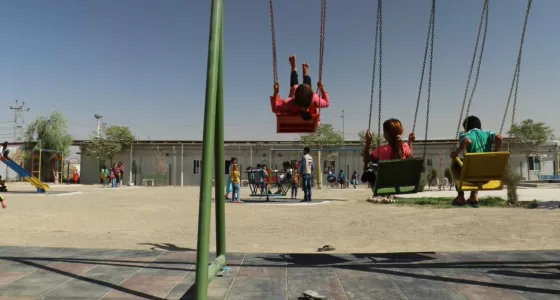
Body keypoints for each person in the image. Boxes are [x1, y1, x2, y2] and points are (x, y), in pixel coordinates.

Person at [451, 115, 503, 207]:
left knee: (455, 165)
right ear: (480, 126)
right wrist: (495, 153)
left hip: (470, 176)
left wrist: (456, 152)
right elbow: (499, 138)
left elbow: (467, 141)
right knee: (478, 166)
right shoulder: (488, 133)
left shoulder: (465, 134)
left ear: (465, 127)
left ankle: (460, 197)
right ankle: (474, 196)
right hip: (487, 177)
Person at [363, 119, 416, 199]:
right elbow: (410, 156)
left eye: (384, 131)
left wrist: (368, 143)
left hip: (383, 184)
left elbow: (366, 159)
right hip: (402, 183)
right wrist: (410, 142)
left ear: (387, 133)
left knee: (368, 170)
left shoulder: (382, 150)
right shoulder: (405, 147)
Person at [270, 55, 329, 121]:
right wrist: (321, 88)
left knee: (295, 86)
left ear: (295, 96)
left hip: (295, 100)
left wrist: (275, 93)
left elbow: (275, 108)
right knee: (305, 87)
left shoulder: (291, 103)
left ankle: (294, 68)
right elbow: (327, 103)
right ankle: (304, 73)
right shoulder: (315, 99)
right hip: (309, 106)